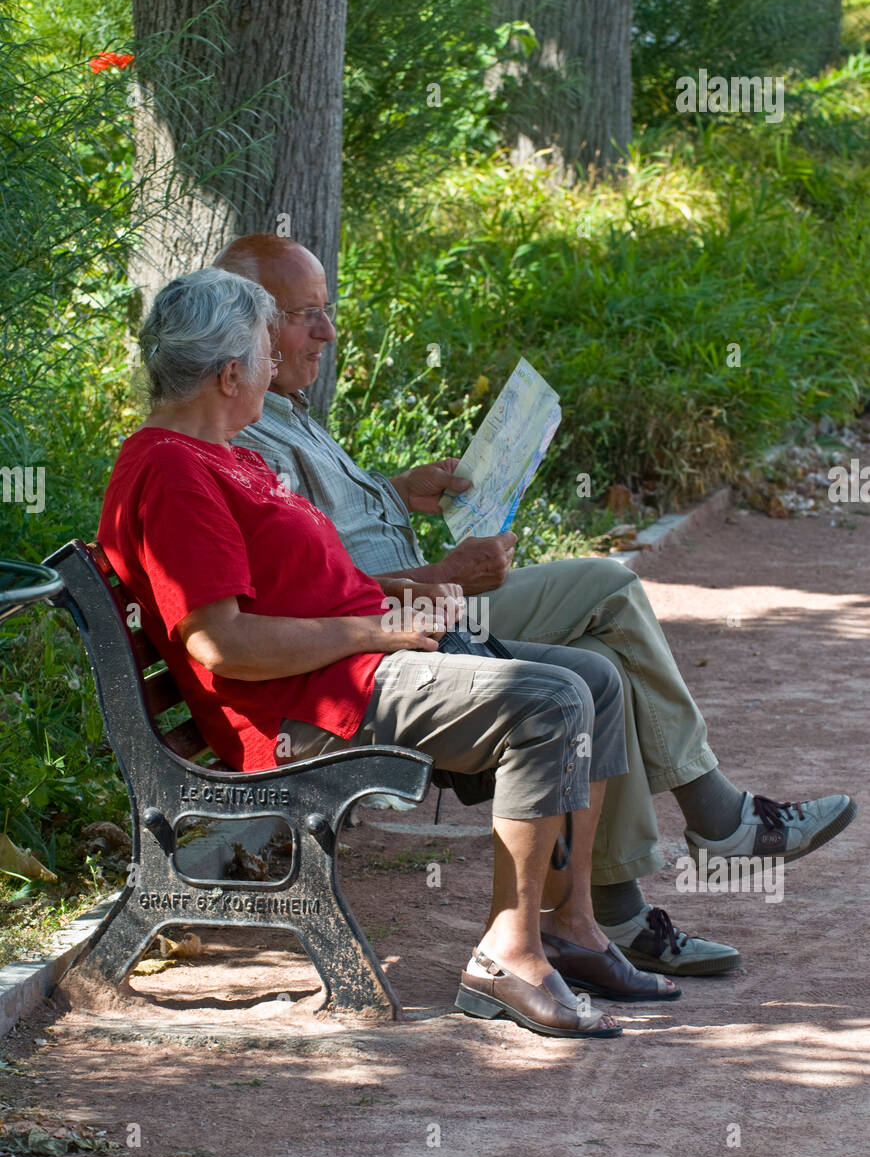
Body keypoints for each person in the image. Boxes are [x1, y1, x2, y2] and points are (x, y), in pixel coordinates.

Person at [213, 233, 857, 981]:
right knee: (609, 588)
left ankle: (611, 908)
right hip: (414, 619)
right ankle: (720, 818)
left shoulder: (283, 406)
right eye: (305, 316)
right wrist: (447, 573)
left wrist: (395, 490)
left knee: (605, 666)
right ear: (251, 331)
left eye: (327, 311)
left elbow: (322, 535)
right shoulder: (249, 424)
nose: (326, 332)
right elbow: (313, 586)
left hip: (425, 602)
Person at [98, 266, 684, 1040]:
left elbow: (296, 589)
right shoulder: (174, 472)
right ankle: (510, 954)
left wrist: (411, 592)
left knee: (594, 679)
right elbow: (222, 643)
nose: (278, 369)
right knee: (550, 702)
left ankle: (571, 924)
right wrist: (376, 631)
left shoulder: (224, 452)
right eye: (266, 357)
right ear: (230, 372)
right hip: (299, 713)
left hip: (345, 670)